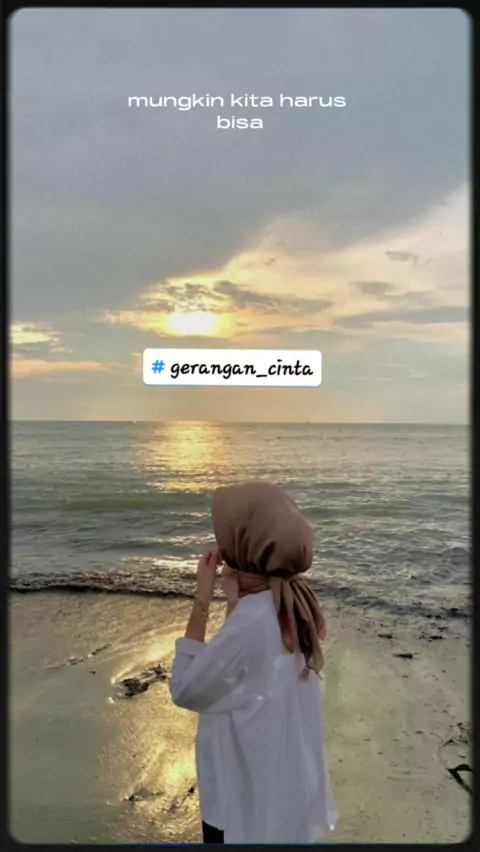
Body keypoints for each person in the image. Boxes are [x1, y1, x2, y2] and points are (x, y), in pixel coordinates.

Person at [170, 481, 338, 844]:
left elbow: (185, 689)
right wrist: (234, 601)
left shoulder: (250, 623)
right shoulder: (290, 604)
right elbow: (245, 673)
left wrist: (202, 596)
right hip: (281, 783)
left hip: (240, 799)